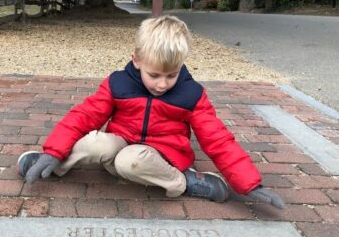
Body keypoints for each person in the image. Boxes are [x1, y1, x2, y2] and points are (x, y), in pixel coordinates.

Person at [17, 15, 285, 209]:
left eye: (171, 75)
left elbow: (218, 140)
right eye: (154, 74)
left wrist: (249, 184)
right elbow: (83, 116)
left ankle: (184, 182)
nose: (162, 84)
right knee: (97, 141)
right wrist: (53, 150)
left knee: (129, 160)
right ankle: (51, 165)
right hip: (120, 144)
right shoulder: (118, 83)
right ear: (137, 60)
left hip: (158, 158)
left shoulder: (191, 94)